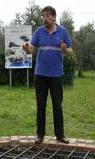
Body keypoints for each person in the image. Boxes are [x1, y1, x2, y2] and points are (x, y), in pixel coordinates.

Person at [23, 6, 73, 144]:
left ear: (54, 17)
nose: (45, 18)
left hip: (56, 75)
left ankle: (60, 135)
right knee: (41, 104)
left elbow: (70, 51)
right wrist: (27, 48)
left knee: (57, 105)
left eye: (47, 15)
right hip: (40, 74)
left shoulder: (63, 32)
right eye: (43, 16)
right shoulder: (39, 31)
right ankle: (40, 134)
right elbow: (32, 49)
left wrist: (64, 49)